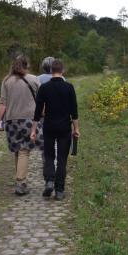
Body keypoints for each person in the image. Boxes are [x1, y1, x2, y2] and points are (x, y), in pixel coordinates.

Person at [31, 59, 79, 201]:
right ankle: (59, 191)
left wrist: (33, 130)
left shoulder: (44, 88)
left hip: (49, 127)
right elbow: (74, 111)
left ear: (51, 71)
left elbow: (37, 112)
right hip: (64, 127)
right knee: (62, 159)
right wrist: (76, 128)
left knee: (49, 156)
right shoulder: (69, 87)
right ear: (62, 71)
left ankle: (49, 181)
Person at [0, 55, 43, 195]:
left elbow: (3, 103)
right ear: (26, 65)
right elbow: (41, 101)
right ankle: (21, 181)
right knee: (24, 150)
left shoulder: (6, 81)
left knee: (18, 149)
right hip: (29, 119)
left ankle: (20, 182)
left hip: (11, 120)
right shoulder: (34, 79)